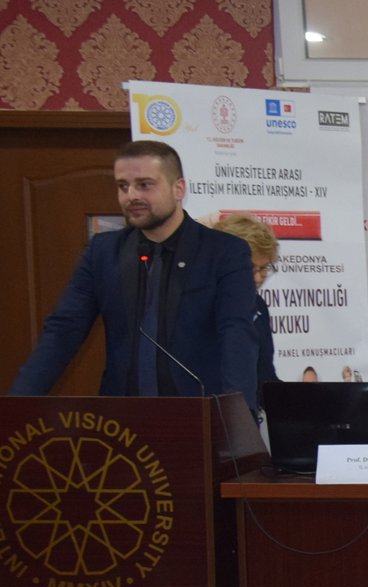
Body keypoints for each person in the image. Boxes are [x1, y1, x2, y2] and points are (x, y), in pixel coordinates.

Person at [10, 140, 259, 412]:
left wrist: (237, 417)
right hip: (121, 422)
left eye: (145, 185)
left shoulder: (223, 252)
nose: (131, 196)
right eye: (123, 186)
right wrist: (14, 408)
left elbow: (236, 333)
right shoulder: (103, 252)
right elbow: (63, 331)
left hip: (199, 414)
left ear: (178, 189)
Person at [209, 211, 281, 408]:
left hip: (246, 417)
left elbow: (265, 377)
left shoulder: (258, 306)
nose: (257, 278)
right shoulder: (200, 303)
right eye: (250, 268)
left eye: (264, 268)